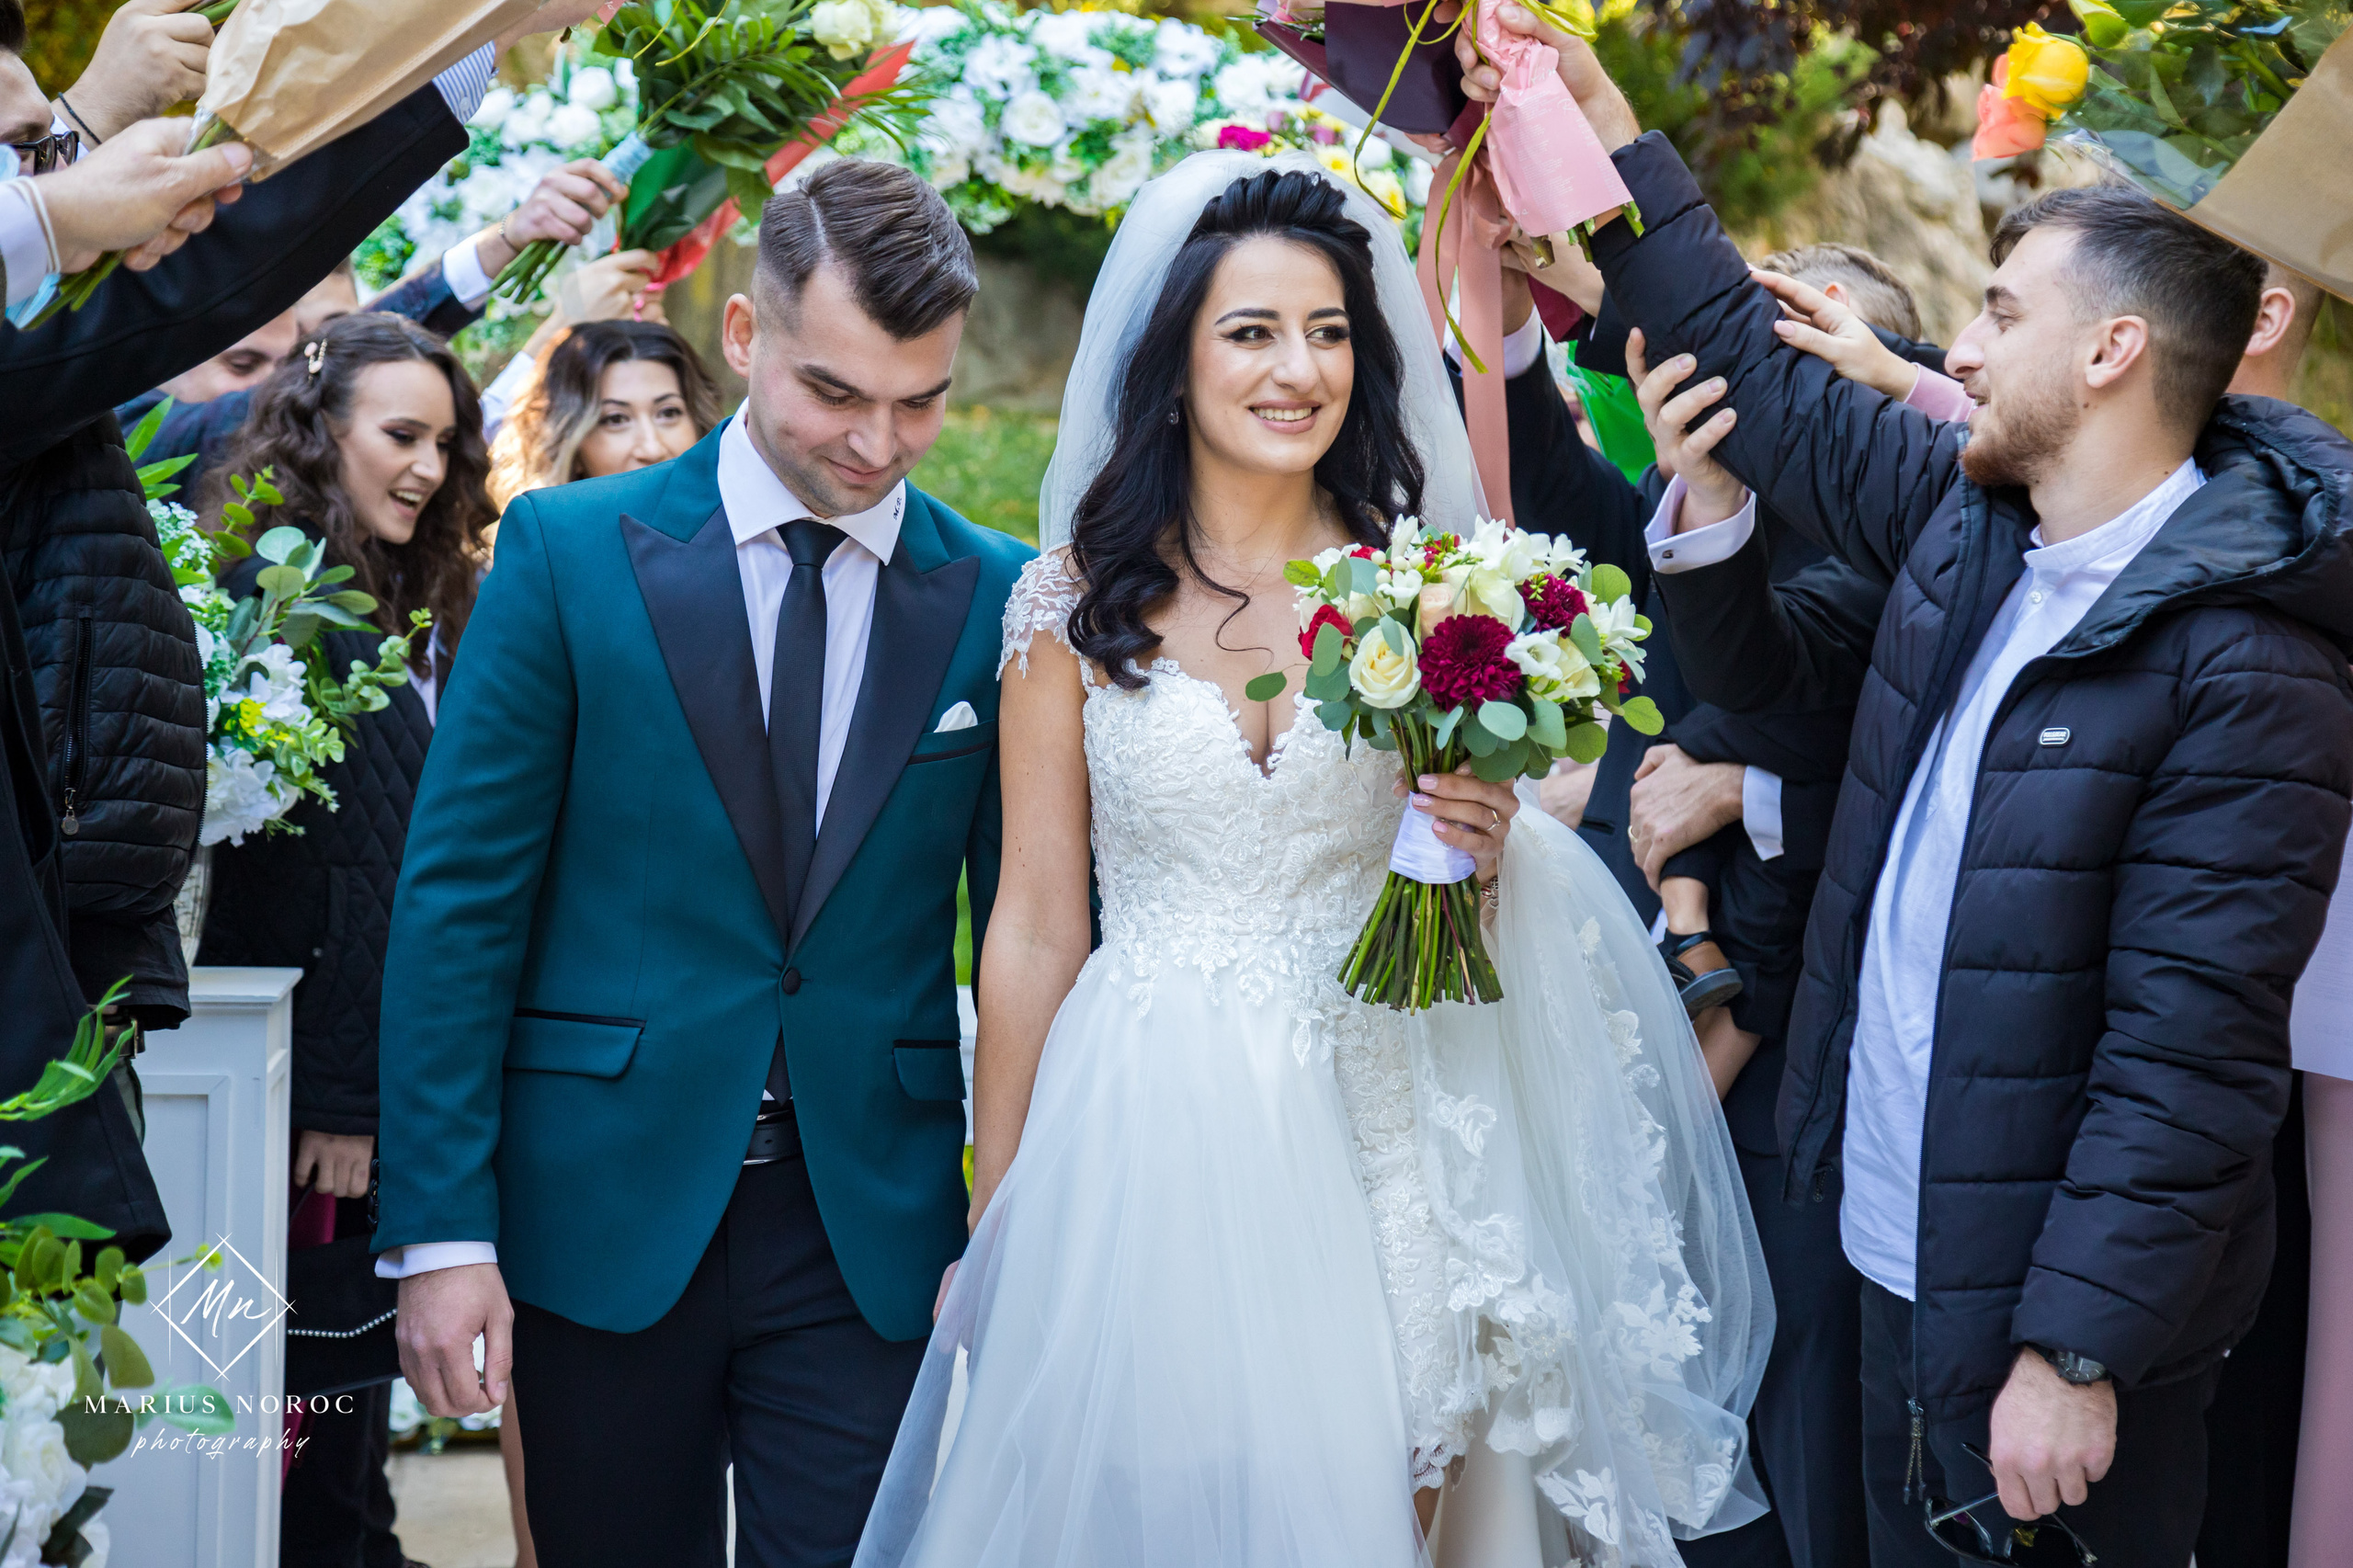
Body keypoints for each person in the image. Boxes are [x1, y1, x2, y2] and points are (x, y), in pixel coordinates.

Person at [1461, 15, 2353, 1563]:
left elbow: (2188, 1056)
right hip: (1888, 1255)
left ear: (2111, 352)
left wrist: (2073, 1352)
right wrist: (1582, 98)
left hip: (2042, 1351)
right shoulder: (1977, 525)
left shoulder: (2250, 667)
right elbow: (1741, 358)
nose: (1960, 353)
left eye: (2002, 313)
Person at [851, 155, 1770, 1568]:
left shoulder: (1436, 595)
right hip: (1151, 1125)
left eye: (1330, 331)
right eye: (1254, 332)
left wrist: (1482, 854)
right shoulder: (1067, 609)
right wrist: (1001, 1208)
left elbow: (1461, 928)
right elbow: (1032, 925)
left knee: (1397, 1486)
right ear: (1175, 363)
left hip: (1388, 1113)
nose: (1299, 369)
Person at [370, 157, 1032, 1568]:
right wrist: (442, 1233)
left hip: (871, 1229)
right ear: (744, 333)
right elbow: (460, 904)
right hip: (597, 1208)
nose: (878, 443)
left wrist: (1017, 1216)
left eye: (919, 401)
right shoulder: (564, 553)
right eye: (834, 392)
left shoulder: (996, 594)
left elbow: (1036, 926)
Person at [191, 311, 492, 1568]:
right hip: (306, 1108)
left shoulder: (389, 596)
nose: (427, 466)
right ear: (320, 432)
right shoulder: (286, 606)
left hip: (350, 1087)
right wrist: (341, 1102)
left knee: (337, 1424)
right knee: (295, 1424)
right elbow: (322, 883)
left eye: (445, 442)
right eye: (401, 435)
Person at [118, 159, 643, 496]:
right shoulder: (127, 442)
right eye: (242, 364)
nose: (287, 388)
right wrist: (557, 336)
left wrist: (510, 237)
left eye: (302, 357)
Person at [487, 317, 722, 505]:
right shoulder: (535, 548)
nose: (652, 449)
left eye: (668, 413)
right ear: (568, 444)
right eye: (616, 419)